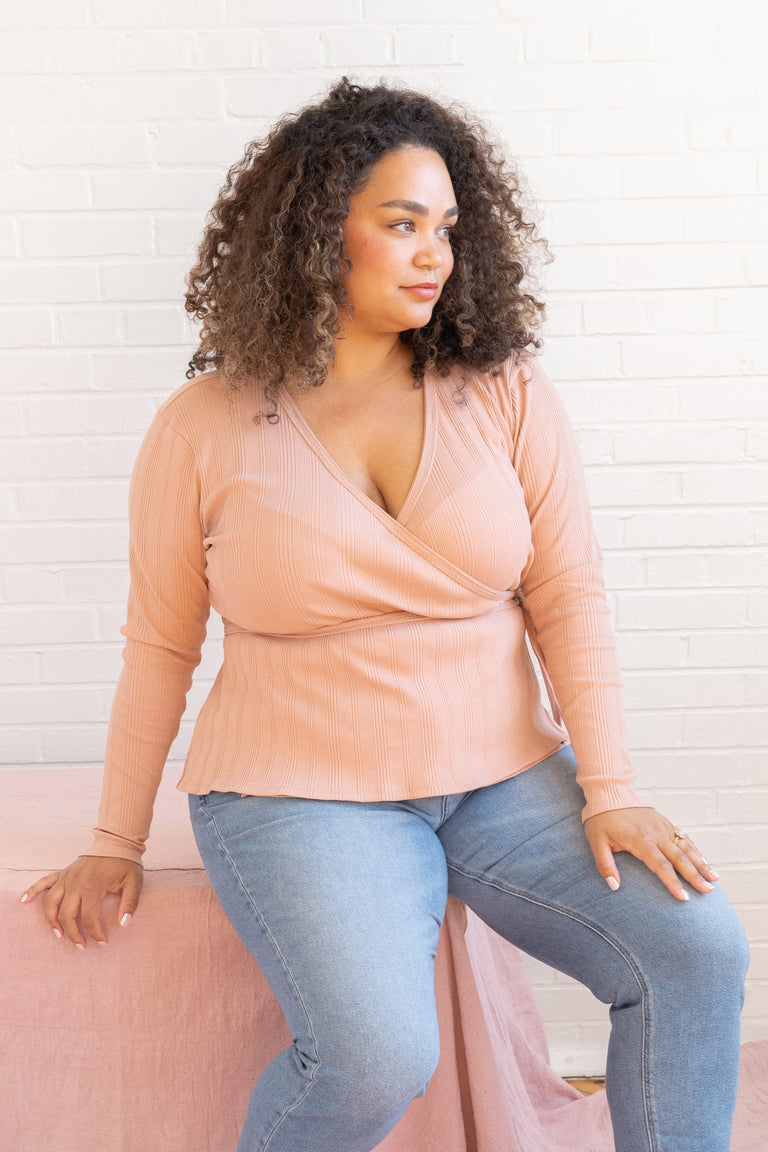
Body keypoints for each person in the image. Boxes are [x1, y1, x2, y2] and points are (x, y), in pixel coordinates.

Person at [22, 78, 748, 1152]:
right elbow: (162, 645)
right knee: (374, 1056)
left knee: (699, 949)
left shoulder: (503, 388)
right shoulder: (202, 426)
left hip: (502, 783)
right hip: (297, 796)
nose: (432, 253)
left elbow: (568, 595)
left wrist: (613, 788)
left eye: (447, 227)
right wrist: (112, 842)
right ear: (321, 235)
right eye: (401, 223)